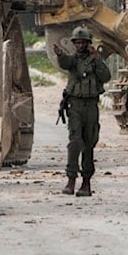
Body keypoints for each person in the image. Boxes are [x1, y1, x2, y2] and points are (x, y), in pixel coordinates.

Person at [53, 25, 111, 197]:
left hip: (91, 106)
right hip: (75, 105)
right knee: (75, 142)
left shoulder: (95, 61)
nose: (79, 45)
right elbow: (65, 63)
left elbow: (106, 77)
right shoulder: (73, 60)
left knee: (89, 143)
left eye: (82, 42)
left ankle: (86, 183)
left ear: (88, 43)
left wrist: (97, 58)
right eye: (76, 42)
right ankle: (71, 180)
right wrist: (60, 54)